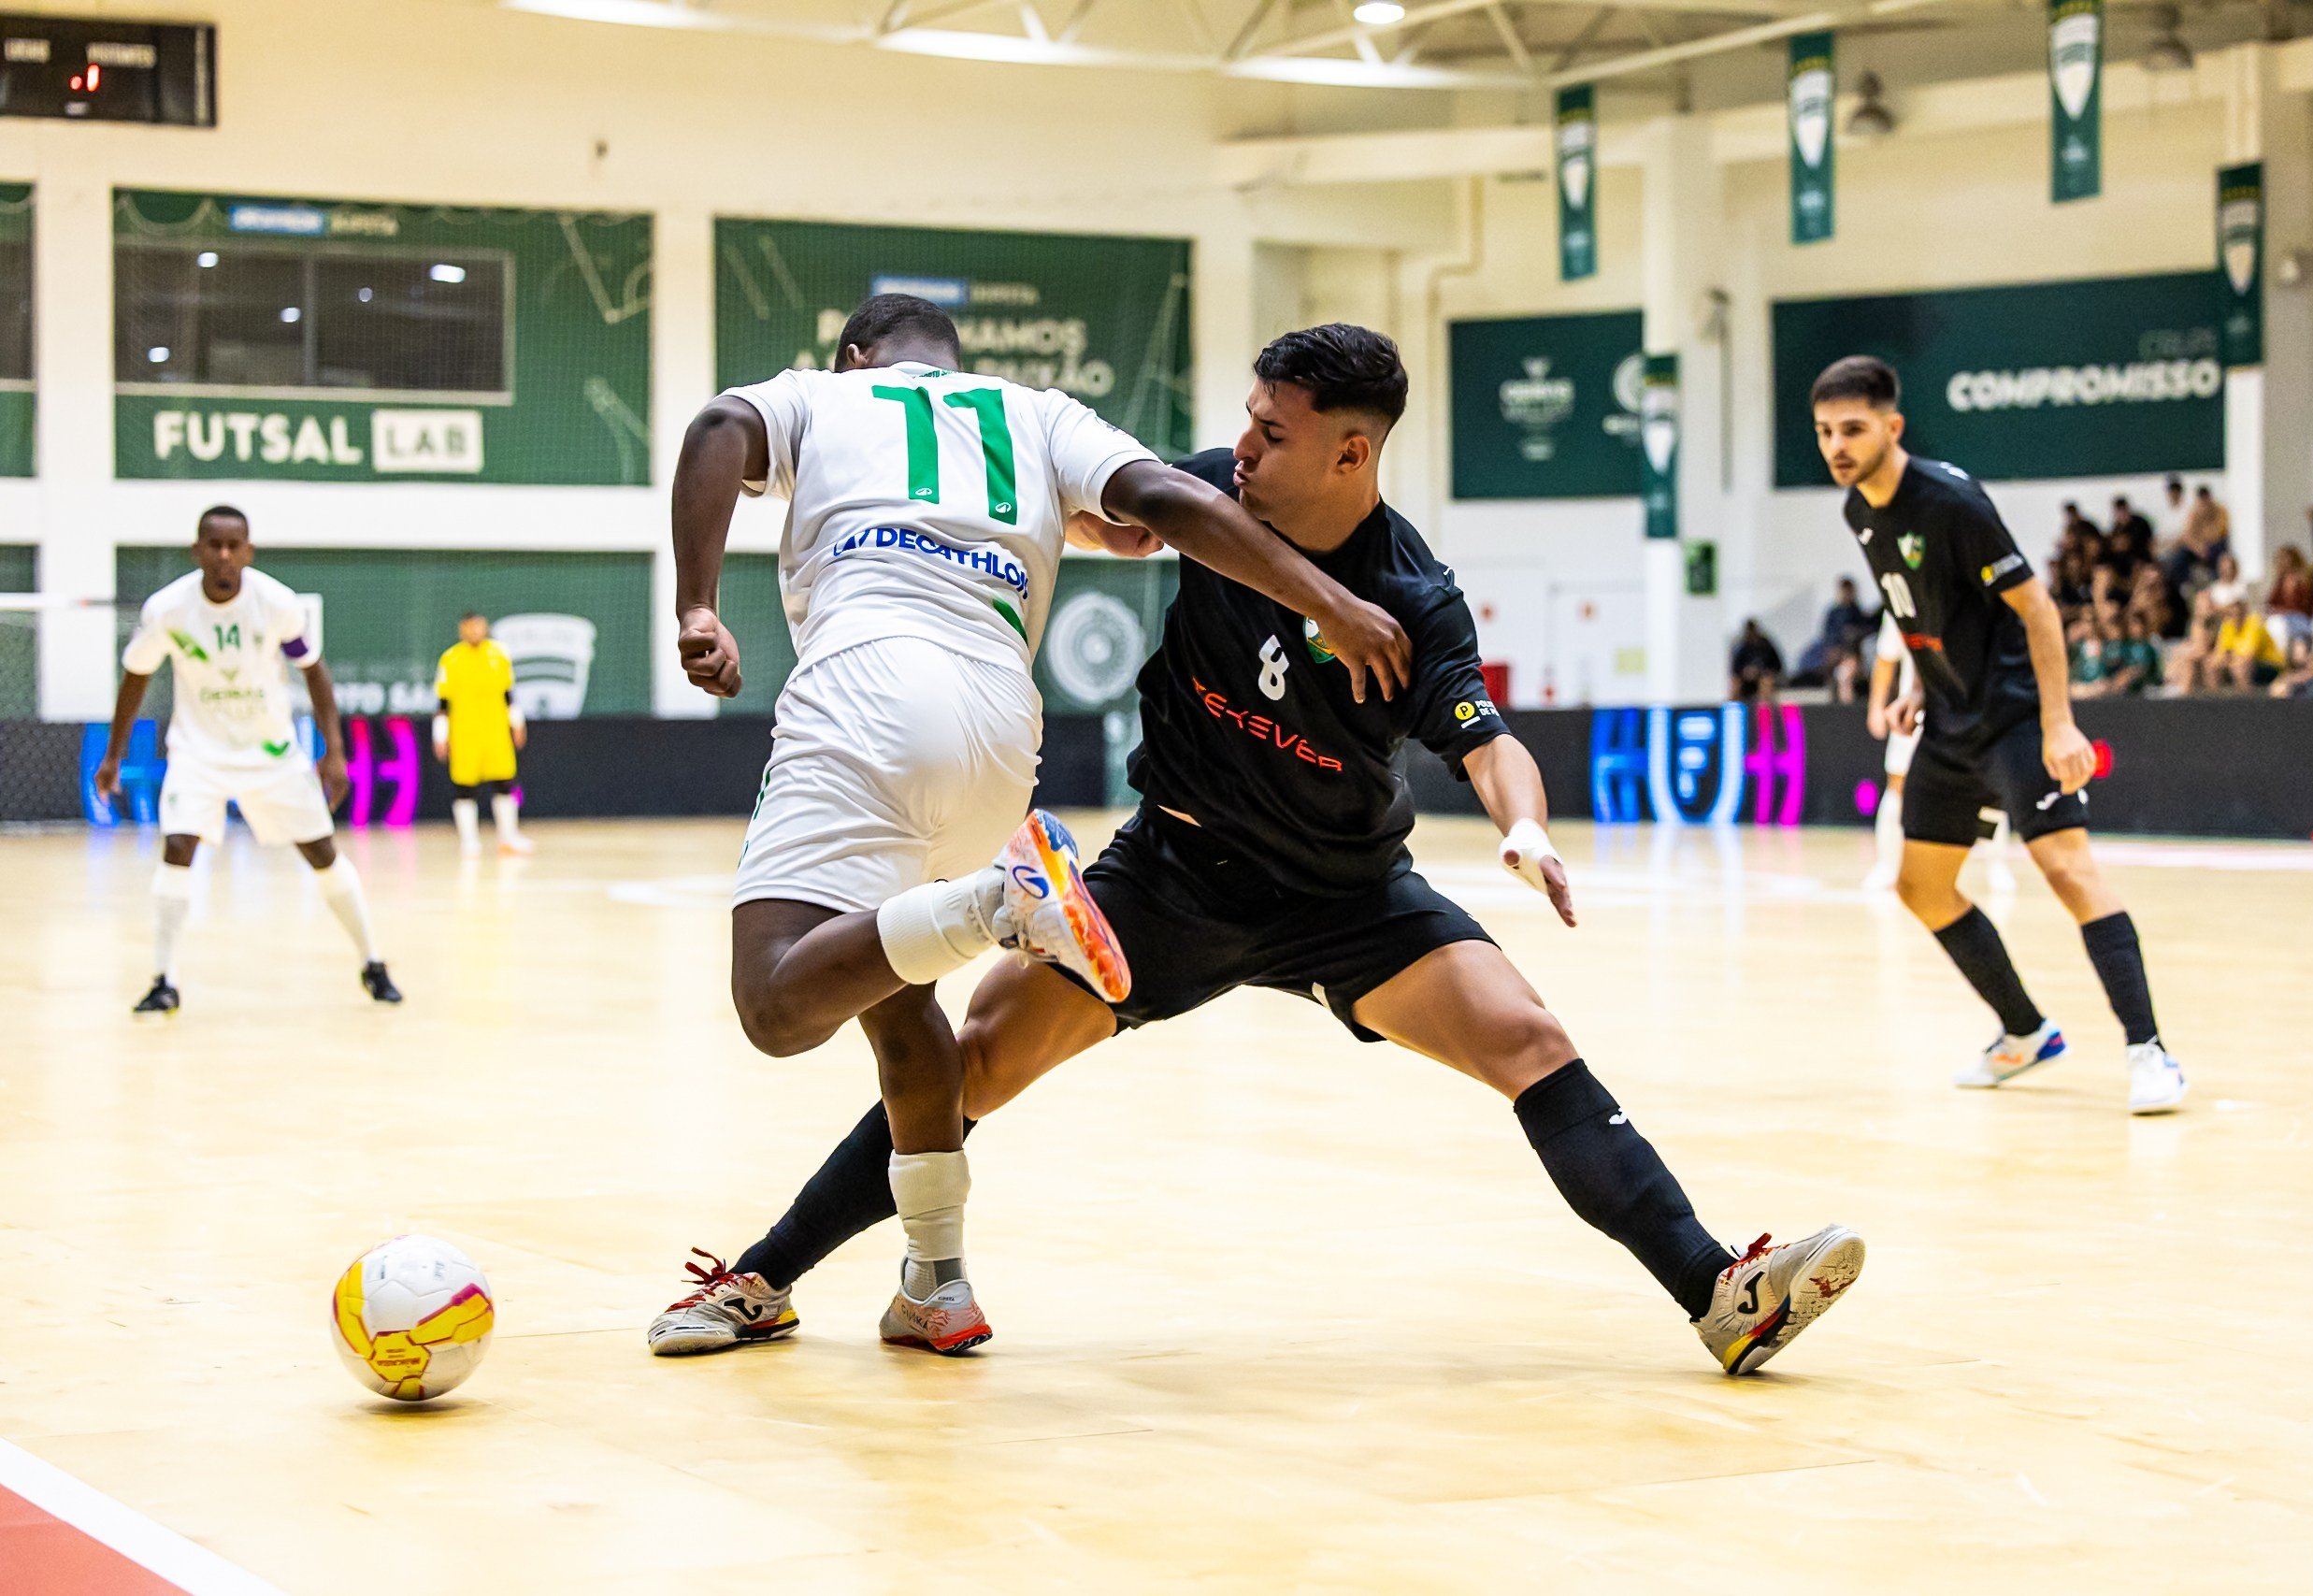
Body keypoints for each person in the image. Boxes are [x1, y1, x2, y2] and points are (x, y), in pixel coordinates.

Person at [649, 324, 1866, 1376]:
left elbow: (1484, 737)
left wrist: (1527, 827)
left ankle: (1719, 1291)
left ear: (1353, 450)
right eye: (1246, 419)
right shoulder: (1205, 499)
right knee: (965, 1065)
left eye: (1272, 432)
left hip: (1351, 897)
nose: (1243, 446)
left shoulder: (1411, 595)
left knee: (1532, 1041)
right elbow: (1088, 501)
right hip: (1170, 876)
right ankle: (765, 1274)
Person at [663, 296, 1412, 1353]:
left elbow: (713, 434)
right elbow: (1167, 501)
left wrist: (698, 605)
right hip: (1000, 731)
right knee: (894, 992)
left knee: (776, 1004)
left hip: (868, 687)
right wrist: (1323, 600)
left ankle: (1000, 899)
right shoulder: (1040, 415)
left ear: (853, 356)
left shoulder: (824, 396)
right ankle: (936, 1282)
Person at [1812, 356, 2187, 1114]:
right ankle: (2025, 1030)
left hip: (2014, 716)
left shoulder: (1951, 500)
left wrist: (2058, 721)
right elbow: (1921, 608)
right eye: (1824, 432)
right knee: (1921, 886)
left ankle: (2150, 1051)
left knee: (2069, 873)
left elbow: (2040, 609)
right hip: (1948, 724)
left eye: (1853, 429)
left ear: (1893, 426)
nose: (1838, 446)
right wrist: (1919, 681)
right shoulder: (1858, 509)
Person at [93, 506, 402, 1014]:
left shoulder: (277, 603)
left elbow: (314, 671)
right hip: (198, 751)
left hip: (272, 751)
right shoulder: (167, 610)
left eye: (234, 546)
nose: (224, 556)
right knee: (177, 846)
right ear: (197, 552)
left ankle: (373, 963)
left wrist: (334, 751)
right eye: (213, 546)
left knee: (322, 853)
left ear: (249, 552)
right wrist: (113, 756)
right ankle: (163, 979)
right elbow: (136, 676)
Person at [1864, 610, 2014, 893]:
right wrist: (1875, 709)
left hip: (1975, 710)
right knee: (1898, 785)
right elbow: (1885, 659)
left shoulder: (1972, 595)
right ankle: (1887, 865)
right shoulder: (1901, 597)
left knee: (1990, 789)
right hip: (1918, 711)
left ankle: (1997, 865)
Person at [433, 611, 530, 856]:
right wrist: (440, 735)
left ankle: (508, 837)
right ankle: (469, 840)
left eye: (479, 627)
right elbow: (443, 702)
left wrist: (516, 722)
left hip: (495, 732)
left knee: (505, 782)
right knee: (465, 787)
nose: (475, 632)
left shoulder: (499, 654)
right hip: (464, 734)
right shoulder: (450, 659)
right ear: (461, 630)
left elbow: (509, 694)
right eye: (469, 628)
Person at [1730, 618, 1783, 702]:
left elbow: (1777, 665)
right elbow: (1736, 667)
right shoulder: (1742, 646)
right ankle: (1733, 707)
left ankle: (1764, 710)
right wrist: (1745, 672)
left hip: (1763, 675)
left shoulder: (1766, 646)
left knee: (1766, 682)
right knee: (1735, 684)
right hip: (1746, 679)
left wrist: (1761, 671)